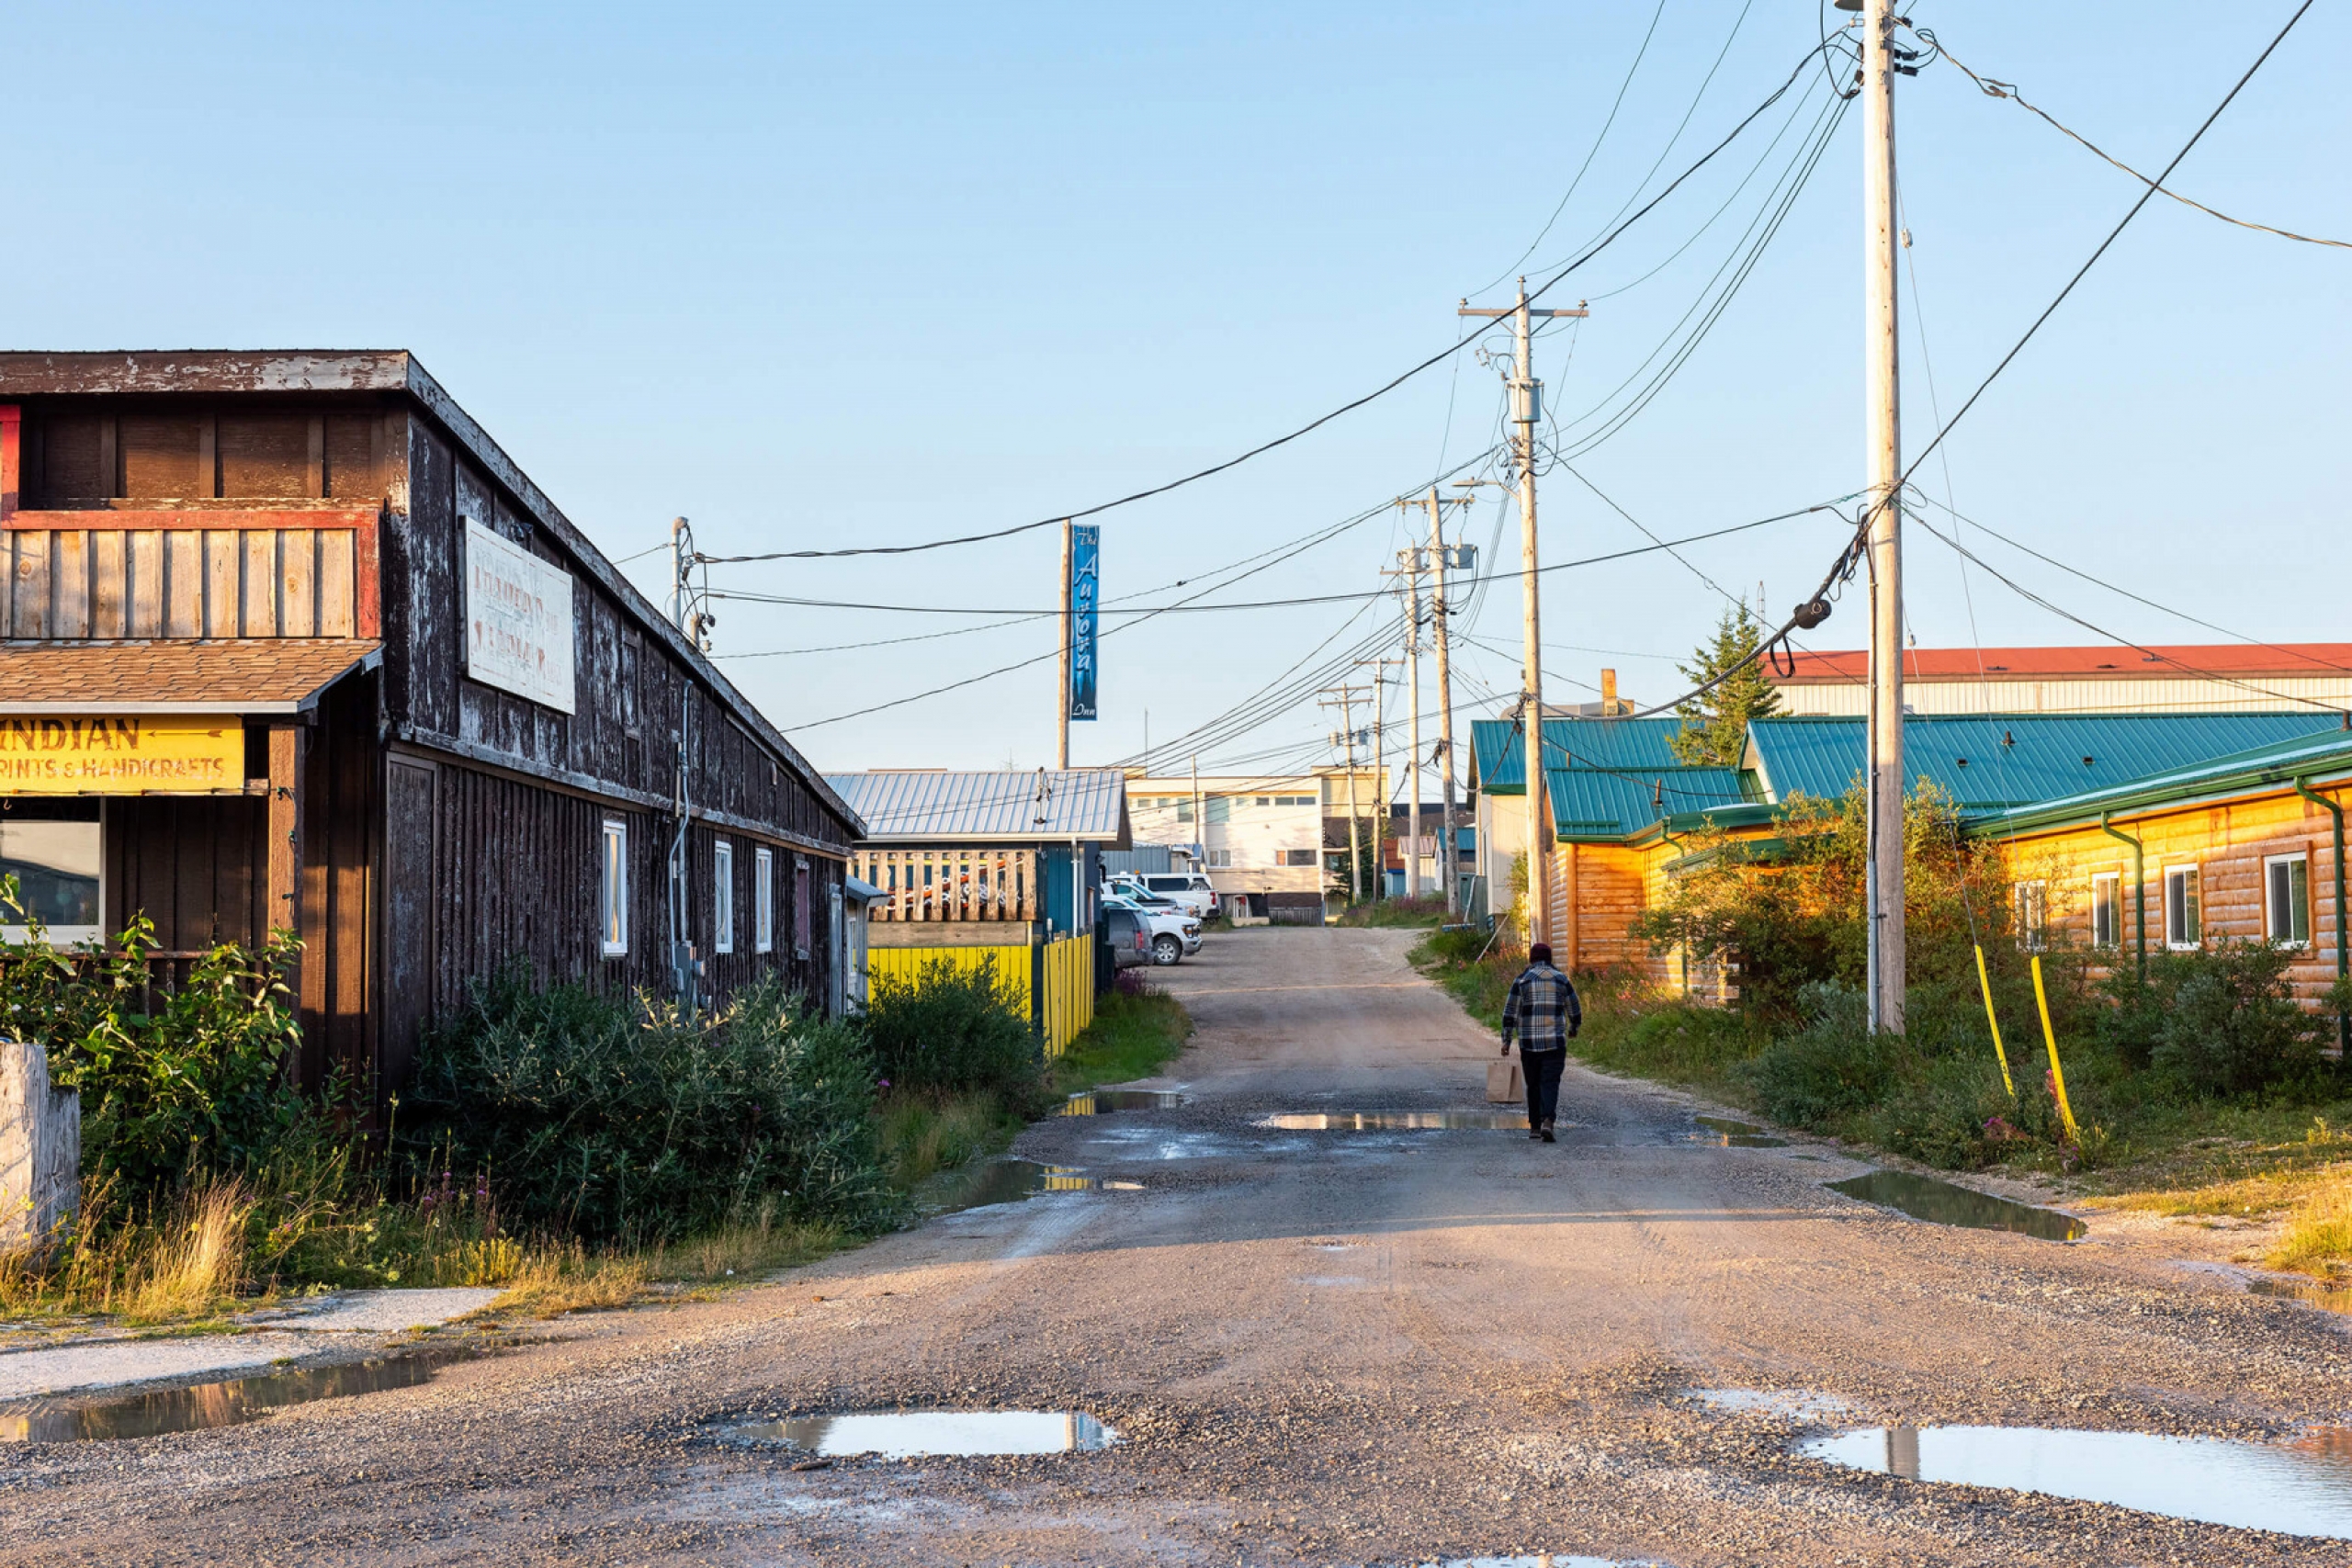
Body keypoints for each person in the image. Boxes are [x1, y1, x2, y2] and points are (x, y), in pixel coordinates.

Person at [1499, 942, 1580, 1143]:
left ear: (1531, 959)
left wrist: (1507, 1040)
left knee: (1533, 1083)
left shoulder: (1521, 981)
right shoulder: (1562, 979)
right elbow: (1574, 1008)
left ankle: (1535, 1127)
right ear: (1550, 958)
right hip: (1554, 1041)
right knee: (1550, 1082)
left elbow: (1510, 1012)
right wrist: (1573, 1028)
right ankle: (1548, 1121)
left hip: (1529, 1043)